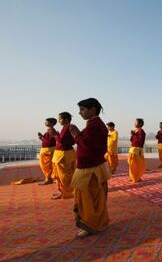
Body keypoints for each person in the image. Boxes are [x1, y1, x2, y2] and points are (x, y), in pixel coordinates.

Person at [69, 98, 111, 238]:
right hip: (91, 166)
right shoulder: (93, 124)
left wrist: (75, 133)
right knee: (94, 197)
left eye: (82, 109)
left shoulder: (95, 125)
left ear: (93, 109)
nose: (80, 112)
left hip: (90, 169)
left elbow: (87, 145)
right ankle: (98, 222)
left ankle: (92, 224)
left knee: (89, 198)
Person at [50, 112, 76, 199]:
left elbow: (62, 141)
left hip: (64, 154)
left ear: (66, 120)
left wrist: (55, 135)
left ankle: (67, 192)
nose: (58, 120)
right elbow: (70, 141)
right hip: (65, 152)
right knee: (63, 174)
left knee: (64, 175)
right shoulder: (65, 128)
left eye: (60, 119)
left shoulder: (68, 127)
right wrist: (56, 135)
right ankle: (63, 191)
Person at [37, 117, 57, 185]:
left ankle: (48, 179)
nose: (45, 123)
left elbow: (50, 142)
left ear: (51, 123)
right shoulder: (49, 130)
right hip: (47, 150)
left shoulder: (51, 130)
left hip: (48, 151)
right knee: (45, 166)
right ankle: (49, 178)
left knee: (47, 166)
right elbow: (48, 141)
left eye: (46, 122)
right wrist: (42, 137)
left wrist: (42, 137)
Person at [128, 118, 146, 183]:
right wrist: (133, 134)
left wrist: (134, 135)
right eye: (135, 122)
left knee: (136, 165)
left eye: (136, 122)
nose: (134, 123)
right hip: (132, 149)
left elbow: (141, 142)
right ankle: (132, 176)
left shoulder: (141, 131)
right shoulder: (135, 130)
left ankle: (137, 177)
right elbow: (131, 140)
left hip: (137, 149)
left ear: (140, 124)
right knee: (131, 164)